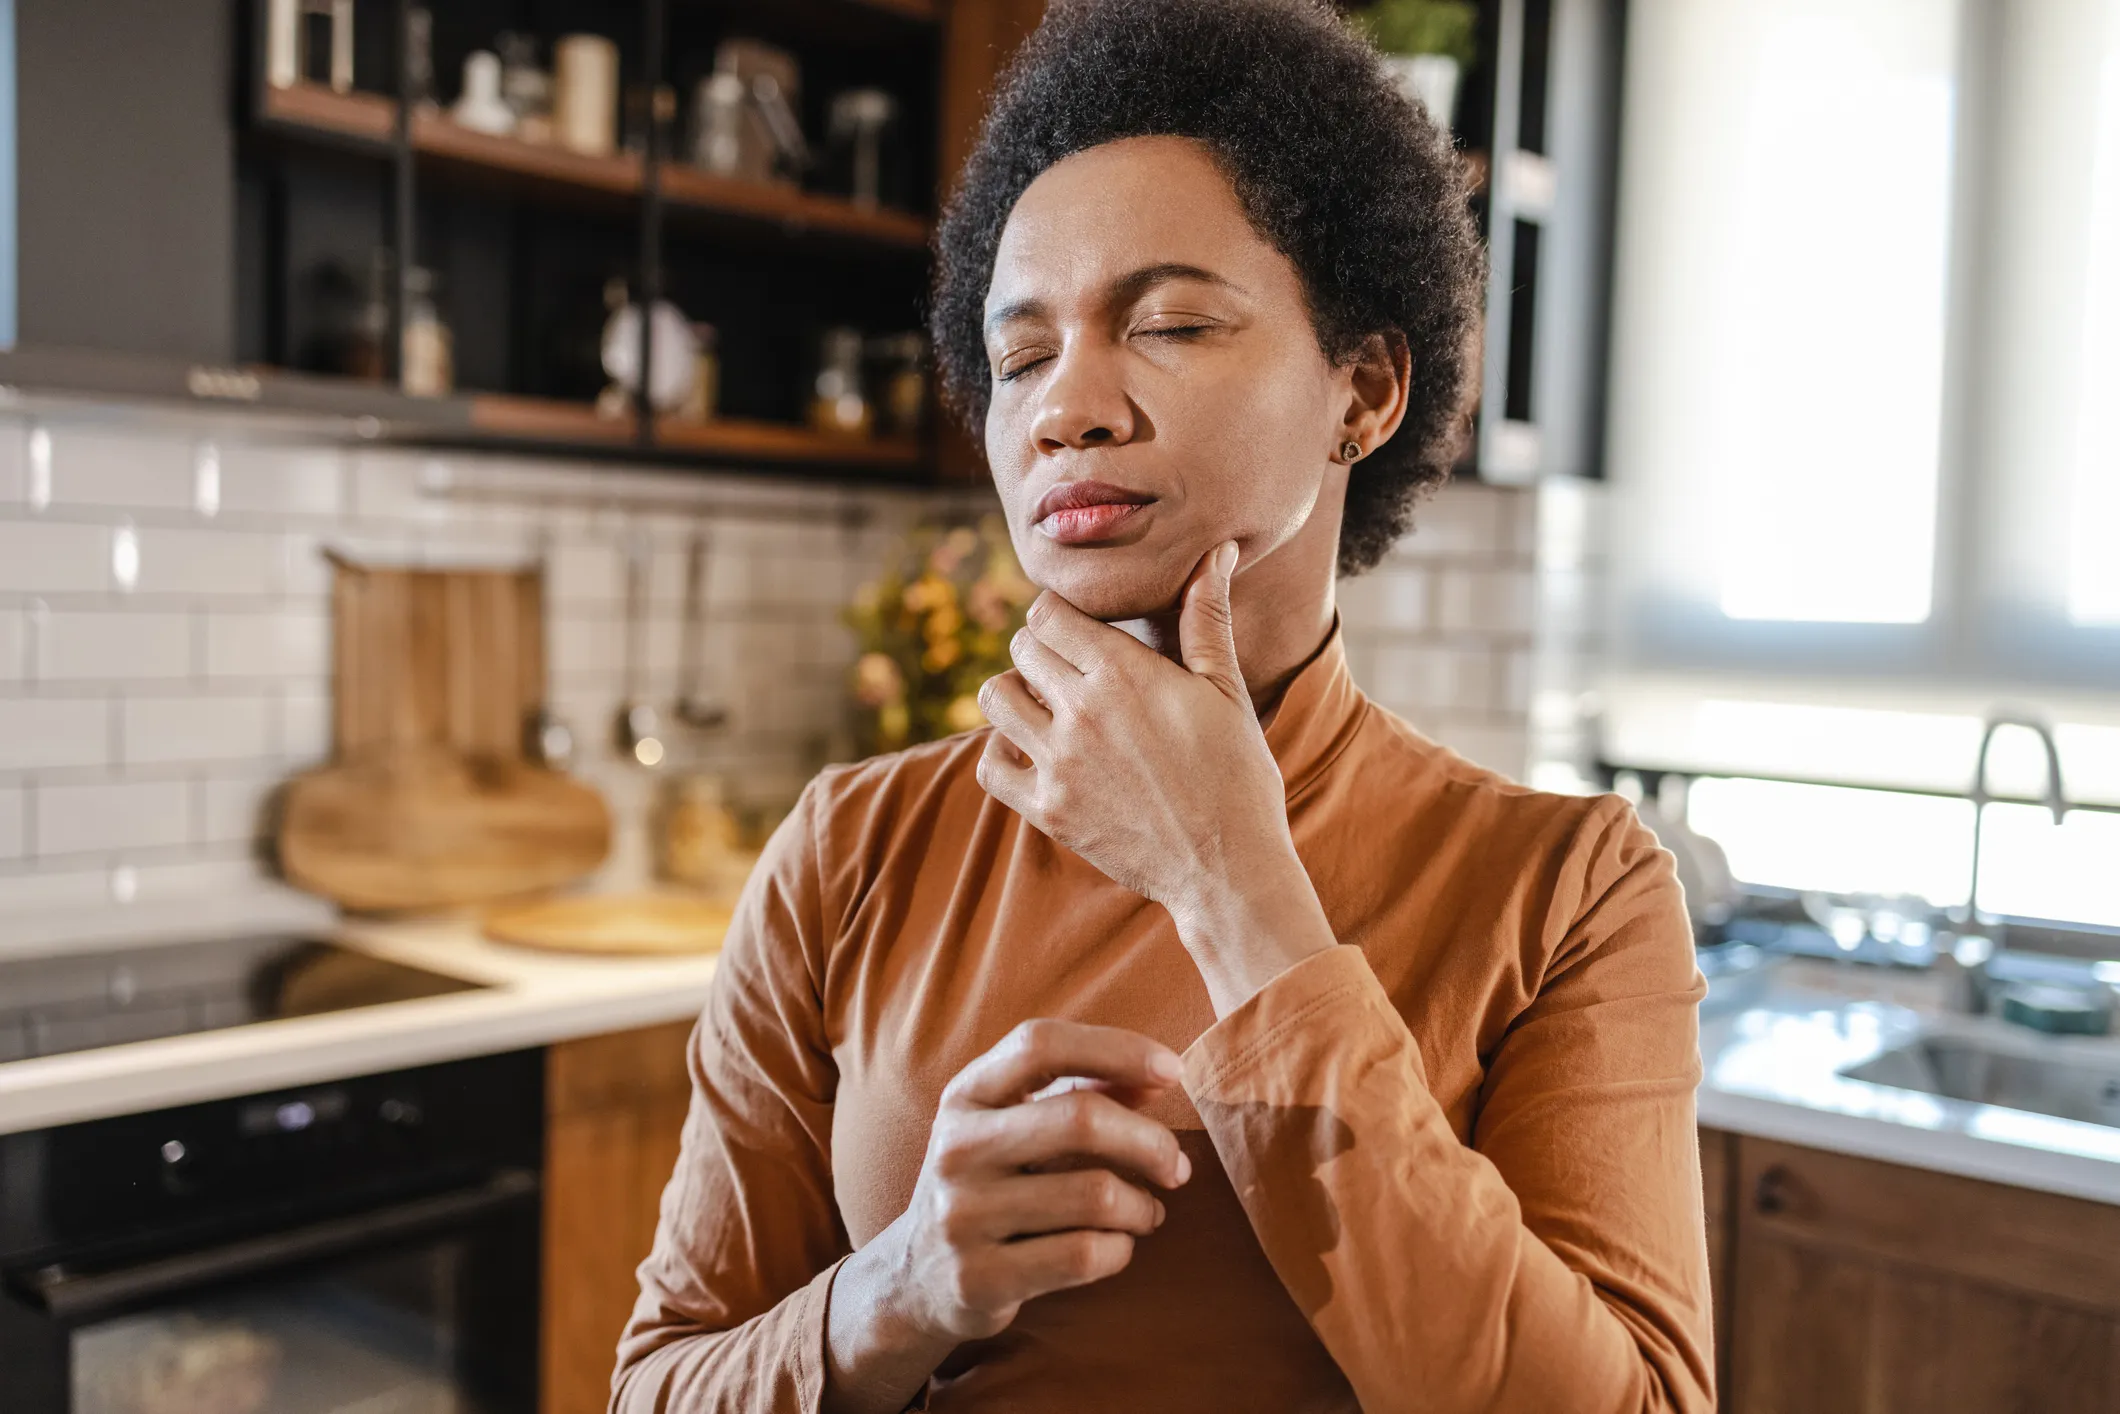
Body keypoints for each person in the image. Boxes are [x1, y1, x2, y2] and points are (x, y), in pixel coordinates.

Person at [613, 1, 1713, 1410]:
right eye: (1019, 357)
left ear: (1362, 390)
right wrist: (898, 1289)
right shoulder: (849, 851)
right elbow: (656, 1384)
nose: (1068, 405)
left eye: (1174, 321)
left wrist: (1232, 879)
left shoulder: (1571, 892)